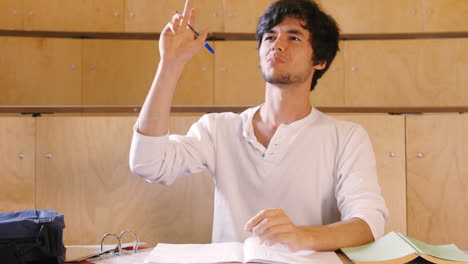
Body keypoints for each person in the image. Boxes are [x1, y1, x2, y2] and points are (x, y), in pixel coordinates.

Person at [129, 0, 389, 252]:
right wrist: (170, 63)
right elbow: (148, 164)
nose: (277, 45)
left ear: (319, 61)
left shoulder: (346, 137)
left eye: (293, 37)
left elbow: (369, 222)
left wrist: (301, 235)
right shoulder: (219, 128)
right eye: (270, 36)